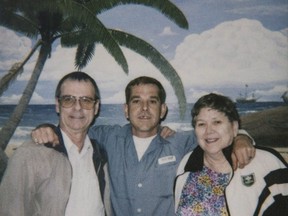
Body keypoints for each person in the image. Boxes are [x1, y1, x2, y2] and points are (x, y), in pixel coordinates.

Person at [31, 76, 255, 216]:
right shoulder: (107, 137)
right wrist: (45, 127)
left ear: (163, 110)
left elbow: (215, 135)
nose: (145, 108)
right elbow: (73, 127)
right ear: (126, 110)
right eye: (137, 101)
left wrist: (242, 137)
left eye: (152, 101)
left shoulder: (179, 141)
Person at [0, 72, 110, 216]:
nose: (77, 107)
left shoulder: (100, 155)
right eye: (68, 99)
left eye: (86, 100)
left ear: (96, 108)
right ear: (58, 105)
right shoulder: (28, 155)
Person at [174, 93, 288, 216]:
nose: (209, 131)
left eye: (217, 122)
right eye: (201, 124)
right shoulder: (187, 165)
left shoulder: (266, 163)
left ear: (234, 127)